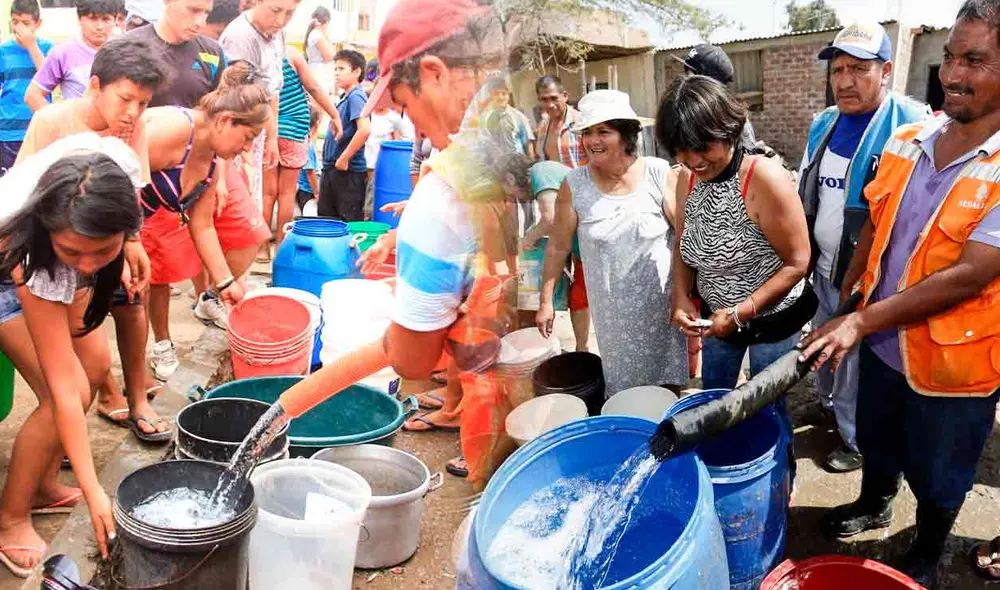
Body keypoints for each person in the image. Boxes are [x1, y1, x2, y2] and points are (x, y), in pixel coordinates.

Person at [799, 3, 1000, 585]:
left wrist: (858, 324)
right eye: (951, 58)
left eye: (976, 61)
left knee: (942, 469)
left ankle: (928, 547)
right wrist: (845, 308)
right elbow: (872, 230)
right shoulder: (911, 140)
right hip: (885, 345)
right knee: (879, 438)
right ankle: (874, 503)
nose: (954, 75)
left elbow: (970, 274)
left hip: (955, 365)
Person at [0, 138, 145, 576]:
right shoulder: (33, 252)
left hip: (52, 250)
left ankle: (43, 485)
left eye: (102, 251)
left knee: (96, 367)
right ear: (51, 233)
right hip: (7, 265)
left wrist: (130, 244)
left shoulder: (115, 164)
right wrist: (94, 488)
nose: (87, 265)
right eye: (74, 252)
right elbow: (64, 388)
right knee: (69, 389)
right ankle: (10, 520)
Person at [16, 36, 169, 442]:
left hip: (106, 244)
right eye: (125, 99)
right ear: (96, 85)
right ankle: (59, 430)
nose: (133, 112)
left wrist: (133, 243)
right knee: (68, 359)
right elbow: (24, 198)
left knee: (135, 300)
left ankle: (136, 400)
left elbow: (133, 191)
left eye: (143, 103)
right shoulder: (52, 122)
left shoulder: (132, 128)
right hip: (53, 258)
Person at [798, 22, 931, 474]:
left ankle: (855, 440)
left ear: (887, 70)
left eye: (858, 69)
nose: (844, 81)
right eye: (838, 69)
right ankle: (827, 406)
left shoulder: (914, 126)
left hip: (871, 273)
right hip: (823, 265)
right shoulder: (824, 123)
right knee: (821, 343)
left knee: (854, 358)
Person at [658, 75, 812, 441]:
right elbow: (683, 240)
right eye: (681, 149)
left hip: (772, 316)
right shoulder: (687, 178)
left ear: (728, 130)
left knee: (766, 403)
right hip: (717, 318)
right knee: (715, 399)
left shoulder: (763, 178)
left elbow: (798, 262)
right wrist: (681, 296)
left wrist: (743, 312)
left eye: (703, 147)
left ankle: (779, 474)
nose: (693, 160)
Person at [537, 89, 688, 395]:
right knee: (624, 395)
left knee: (666, 391)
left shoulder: (659, 174)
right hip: (614, 321)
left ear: (626, 134)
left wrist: (683, 296)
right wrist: (545, 301)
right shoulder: (574, 185)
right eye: (587, 133)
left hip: (662, 311)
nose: (592, 141)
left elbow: (684, 238)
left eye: (603, 132)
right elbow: (557, 246)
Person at [140, 62, 272, 368]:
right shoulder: (173, 129)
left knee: (131, 310)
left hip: (124, 234)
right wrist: (128, 243)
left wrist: (227, 285)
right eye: (248, 137)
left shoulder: (212, 161)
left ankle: (132, 394)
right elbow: (107, 176)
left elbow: (202, 227)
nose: (247, 148)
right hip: (97, 228)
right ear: (226, 120)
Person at [220, 0, 300, 209]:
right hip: (234, 135)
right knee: (234, 203)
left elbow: (272, 91)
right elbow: (229, 103)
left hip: (258, 132)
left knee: (252, 203)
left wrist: (272, 137)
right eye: (275, 11)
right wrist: (244, 153)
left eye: (289, 14)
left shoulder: (278, 33)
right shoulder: (240, 37)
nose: (281, 20)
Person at [261, 46, 342, 251]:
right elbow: (313, 87)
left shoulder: (259, 55)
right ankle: (281, 247)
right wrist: (334, 114)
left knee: (267, 195)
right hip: (294, 131)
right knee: (287, 194)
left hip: (268, 131)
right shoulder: (292, 55)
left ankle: (261, 249)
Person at [533, 75, 590, 353]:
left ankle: (581, 348)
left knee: (582, 280)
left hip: (581, 205)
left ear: (565, 95)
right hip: (556, 208)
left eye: (554, 98)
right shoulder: (543, 127)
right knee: (553, 275)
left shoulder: (582, 123)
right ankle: (549, 345)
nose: (550, 104)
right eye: (544, 99)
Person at [25, 0, 117, 111]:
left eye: (106, 19)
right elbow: (33, 96)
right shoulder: (63, 53)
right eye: (92, 19)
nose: (99, 27)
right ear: (79, 19)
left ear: (115, 20)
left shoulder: (124, 52)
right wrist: (59, 124)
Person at [0, 0, 52, 175]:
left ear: (38, 24)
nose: (19, 28)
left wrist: (31, 46)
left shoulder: (47, 48)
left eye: (26, 23)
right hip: (9, 131)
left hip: (39, 129)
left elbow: (49, 78)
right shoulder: (4, 51)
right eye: (15, 22)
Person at [674, 43, 757, 149]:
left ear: (708, 81)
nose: (686, 81)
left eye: (690, 76)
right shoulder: (693, 116)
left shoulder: (731, 122)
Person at [319, 49, 370, 220]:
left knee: (347, 223)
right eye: (335, 69)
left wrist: (344, 158)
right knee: (328, 221)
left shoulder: (356, 97)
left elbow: (364, 129)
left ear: (357, 72)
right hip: (333, 169)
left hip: (347, 172)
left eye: (341, 69)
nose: (336, 73)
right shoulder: (345, 97)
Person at [365, 104, 413, 218]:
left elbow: (408, 136)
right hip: (363, 164)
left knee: (372, 201)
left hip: (381, 165)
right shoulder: (367, 114)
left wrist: (394, 146)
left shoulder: (394, 117)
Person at [482, 78, 535, 158]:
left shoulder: (518, 117)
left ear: (508, 95)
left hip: (518, 164)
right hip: (499, 166)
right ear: (491, 96)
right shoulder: (486, 119)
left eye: (504, 93)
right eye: (496, 94)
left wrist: (531, 163)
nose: (500, 97)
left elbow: (528, 144)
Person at [296, 106, 321, 215]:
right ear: (316, 124)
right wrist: (316, 192)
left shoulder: (300, 142)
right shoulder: (308, 146)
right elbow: (310, 171)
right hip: (307, 190)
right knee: (309, 215)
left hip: (302, 188)